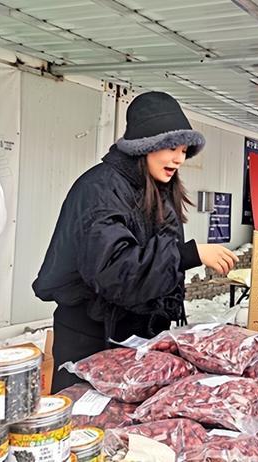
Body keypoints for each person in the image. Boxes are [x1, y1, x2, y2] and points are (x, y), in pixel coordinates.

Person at [33, 92, 238, 392]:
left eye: (183, 150)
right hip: (91, 339)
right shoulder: (99, 190)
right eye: (171, 147)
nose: (179, 158)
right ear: (145, 144)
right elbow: (115, 271)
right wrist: (187, 255)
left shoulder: (157, 187)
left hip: (134, 335)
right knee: (86, 423)